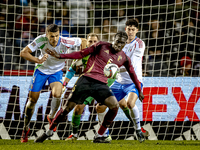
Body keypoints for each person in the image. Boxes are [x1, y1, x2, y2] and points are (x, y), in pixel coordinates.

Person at [34, 31, 144, 143]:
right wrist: (60, 56)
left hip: (101, 85)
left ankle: (100, 135)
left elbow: (132, 73)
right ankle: (49, 132)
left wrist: (139, 90)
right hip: (86, 80)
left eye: (122, 43)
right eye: (117, 41)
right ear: (113, 39)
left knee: (114, 106)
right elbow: (81, 53)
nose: (118, 45)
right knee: (67, 108)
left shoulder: (124, 58)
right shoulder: (101, 45)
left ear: (125, 43)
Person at [20, 24, 87, 143]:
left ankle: (51, 117)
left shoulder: (66, 41)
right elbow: (23, 53)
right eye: (51, 36)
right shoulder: (41, 40)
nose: (55, 39)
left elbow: (83, 40)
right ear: (47, 35)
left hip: (56, 72)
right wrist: (38, 60)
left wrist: (79, 57)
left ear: (59, 34)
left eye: (57, 36)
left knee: (58, 93)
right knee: (32, 100)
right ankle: (25, 128)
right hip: (41, 70)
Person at [96, 19, 149, 143]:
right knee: (100, 107)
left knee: (130, 103)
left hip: (133, 81)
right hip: (118, 82)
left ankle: (138, 130)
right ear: (125, 29)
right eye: (128, 29)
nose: (130, 31)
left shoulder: (139, 44)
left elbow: (132, 65)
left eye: (133, 29)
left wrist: (113, 70)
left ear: (137, 30)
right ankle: (105, 135)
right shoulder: (117, 43)